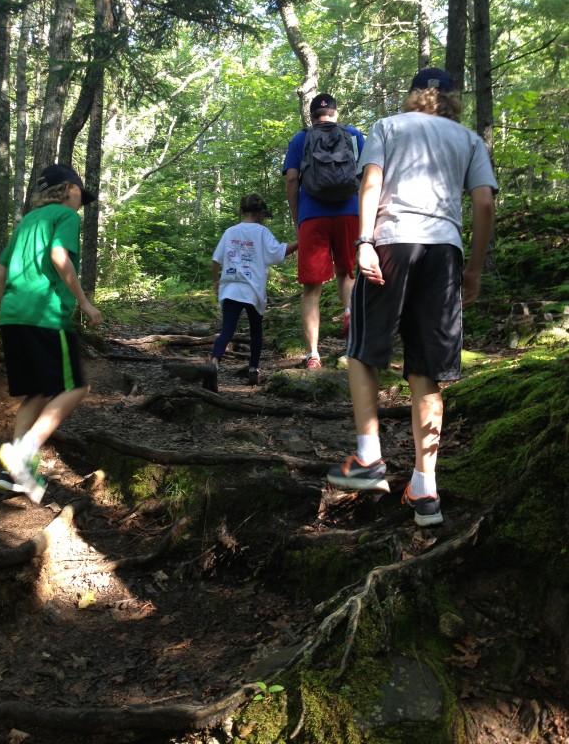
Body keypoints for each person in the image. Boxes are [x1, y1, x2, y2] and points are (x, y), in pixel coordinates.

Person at [327, 68, 497, 527]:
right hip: (444, 249)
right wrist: (474, 267)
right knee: (427, 368)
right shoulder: (469, 141)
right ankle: (425, 486)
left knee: (363, 350)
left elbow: (371, 183)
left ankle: (369, 458)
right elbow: (483, 203)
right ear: (452, 99)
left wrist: (364, 240)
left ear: (413, 94)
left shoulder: (388, 126)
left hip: (392, 240)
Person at [0, 163, 102, 503]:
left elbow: (0, 270)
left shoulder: (27, 221)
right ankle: (22, 455)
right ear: (69, 189)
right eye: (79, 197)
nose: (80, 204)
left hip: (12, 316)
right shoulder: (66, 217)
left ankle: (15, 477)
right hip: (45, 315)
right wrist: (84, 303)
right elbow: (59, 256)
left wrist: (10, 307)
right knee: (76, 387)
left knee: (38, 393)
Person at [283, 93, 365, 369]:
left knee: (311, 289)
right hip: (349, 213)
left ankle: (313, 355)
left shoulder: (300, 138)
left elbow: (293, 179)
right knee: (347, 272)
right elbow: (367, 176)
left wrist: (298, 219)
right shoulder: (353, 136)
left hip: (312, 216)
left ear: (312, 115)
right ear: (335, 113)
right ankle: (350, 312)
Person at [202, 193, 298, 392]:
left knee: (227, 330)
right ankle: (253, 370)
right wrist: (301, 242)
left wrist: (216, 281)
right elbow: (279, 253)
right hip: (252, 291)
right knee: (256, 331)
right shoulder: (262, 232)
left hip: (231, 287)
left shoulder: (230, 232)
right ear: (261, 213)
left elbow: (216, 259)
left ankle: (214, 361)